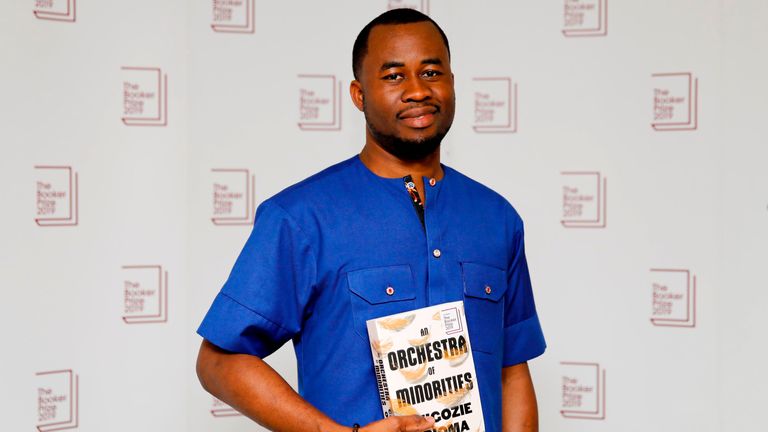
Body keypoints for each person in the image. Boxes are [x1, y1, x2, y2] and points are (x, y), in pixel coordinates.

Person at [196, 8, 546, 432]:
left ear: (452, 83)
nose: (417, 90)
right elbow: (219, 362)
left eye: (432, 72)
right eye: (394, 76)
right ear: (359, 95)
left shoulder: (496, 217)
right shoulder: (301, 218)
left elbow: (512, 371)